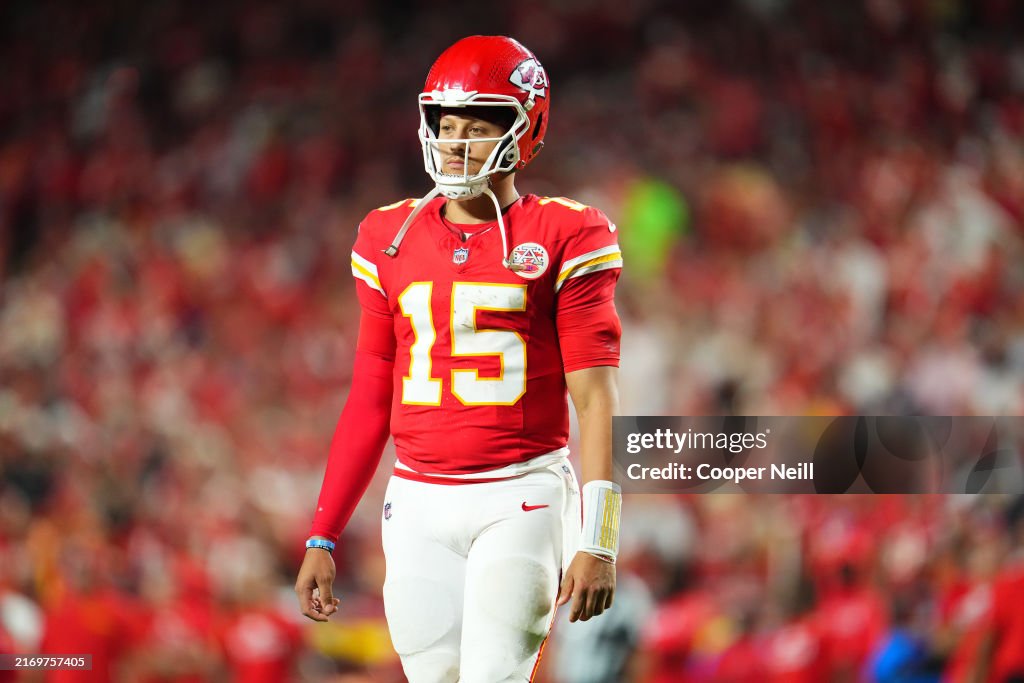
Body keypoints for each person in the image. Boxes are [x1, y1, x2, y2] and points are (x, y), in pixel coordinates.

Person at [293, 35, 625, 682]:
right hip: (416, 498)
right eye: (447, 125)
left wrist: (599, 536)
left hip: (520, 491)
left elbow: (596, 397)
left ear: (526, 129)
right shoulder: (387, 236)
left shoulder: (566, 233)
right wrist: (322, 533)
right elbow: (368, 398)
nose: (456, 142)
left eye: (478, 126)